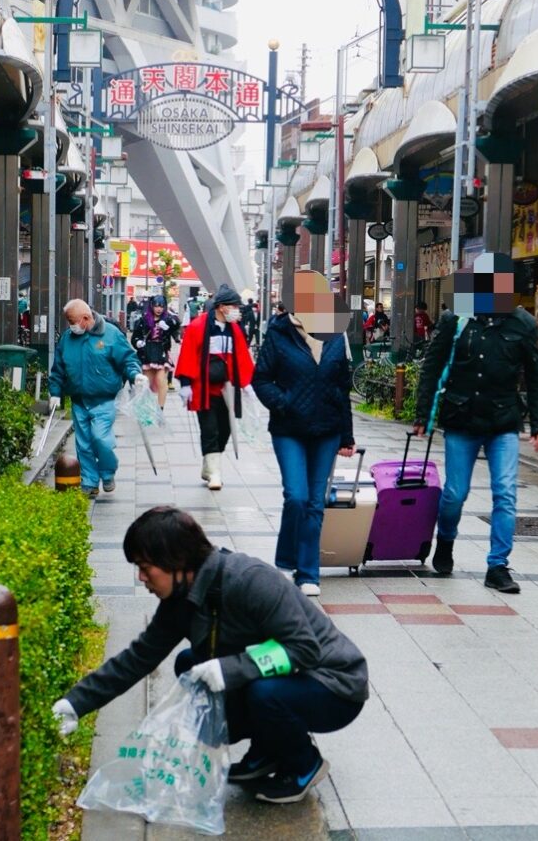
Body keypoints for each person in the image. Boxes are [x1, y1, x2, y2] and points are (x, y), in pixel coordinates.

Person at [51, 508, 368, 805]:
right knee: (189, 663)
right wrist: (75, 703)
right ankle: (268, 750)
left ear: (178, 563)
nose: (140, 578)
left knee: (263, 692)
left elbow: (304, 648)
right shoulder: (180, 600)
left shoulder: (251, 581)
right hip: (291, 680)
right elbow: (137, 659)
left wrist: (230, 668)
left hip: (334, 685)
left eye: (146, 568)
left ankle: (304, 764)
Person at [414, 264, 538, 594]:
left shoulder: (523, 324)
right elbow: (432, 366)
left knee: (505, 492)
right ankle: (445, 541)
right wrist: (423, 414)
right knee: (455, 494)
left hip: (503, 420)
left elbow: (536, 378)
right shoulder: (456, 318)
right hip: (462, 418)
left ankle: (498, 565)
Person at [252, 306, 356, 596]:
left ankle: (308, 573)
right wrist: (284, 403)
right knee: (296, 496)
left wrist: (346, 436)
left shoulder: (336, 334)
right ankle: (287, 558)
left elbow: (342, 387)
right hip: (289, 429)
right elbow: (260, 379)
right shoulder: (279, 331)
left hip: (327, 429)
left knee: (315, 502)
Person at [48, 299, 146, 497]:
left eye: (72, 321)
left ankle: (108, 472)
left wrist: (135, 374)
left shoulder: (110, 335)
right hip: (79, 400)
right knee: (83, 444)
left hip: (104, 399)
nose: (70, 325)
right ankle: (90, 481)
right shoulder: (67, 338)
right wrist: (55, 393)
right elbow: (58, 368)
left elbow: (127, 359)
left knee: (101, 439)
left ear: (85, 318)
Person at [175, 284, 255, 490]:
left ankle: (209, 465)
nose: (237, 310)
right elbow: (188, 354)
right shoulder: (198, 327)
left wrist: (246, 385)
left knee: (226, 429)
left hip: (227, 389)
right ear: (221, 307)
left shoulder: (234, 329)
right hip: (204, 388)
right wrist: (186, 384)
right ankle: (215, 473)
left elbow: (242, 357)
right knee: (209, 429)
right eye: (234, 306)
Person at [130, 297, 179, 408]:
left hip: (161, 351)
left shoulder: (168, 318)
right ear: (151, 306)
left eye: (161, 306)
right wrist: (138, 343)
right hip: (147, 352)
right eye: (156, 306)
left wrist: (168, 324)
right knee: (146, 384)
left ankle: (160, 410)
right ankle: (145, 410)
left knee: (161, 380)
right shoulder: (143, 320)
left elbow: (176, 324)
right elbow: (135, 338)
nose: (159, 309)